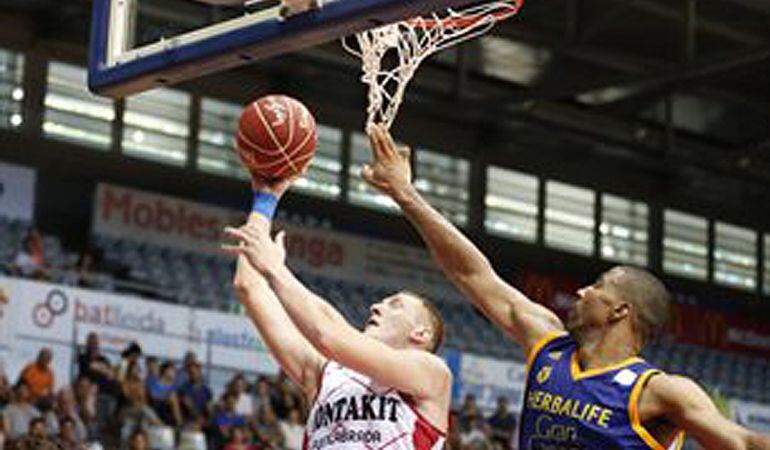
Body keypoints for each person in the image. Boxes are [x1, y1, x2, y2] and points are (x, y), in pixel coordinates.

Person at [361, 123, 770, 450]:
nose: (581, 292)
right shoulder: (547, 344)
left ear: (620, 310)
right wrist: (406, 195)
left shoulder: (661, 391)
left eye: (597, 287)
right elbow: (472, 275)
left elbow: (742, 443)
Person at [223, 174, 451, 450]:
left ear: (421, 334)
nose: (376, 306)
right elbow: (248, 287)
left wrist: (275, 269)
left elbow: (327, 334)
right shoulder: (325, 373)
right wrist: (265, 200)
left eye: (395, 305)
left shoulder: (431, 373)